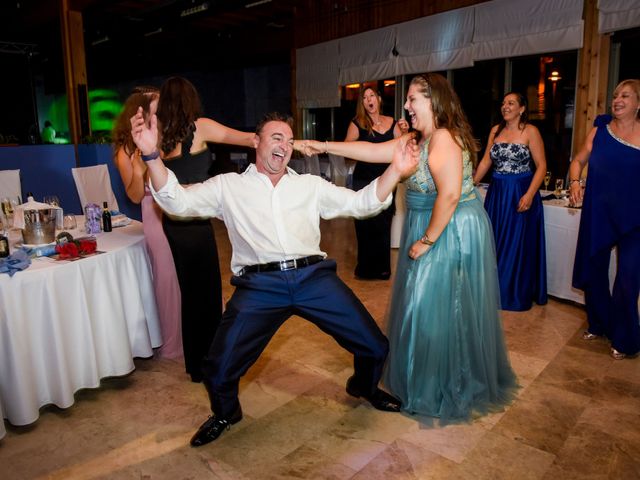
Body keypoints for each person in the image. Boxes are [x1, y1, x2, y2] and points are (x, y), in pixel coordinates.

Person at [131, 110, 418, 446]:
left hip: (313, 278)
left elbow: (362, 204)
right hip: (259, 287)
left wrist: (396, 170)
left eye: (290, 140)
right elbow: (178, 202)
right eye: (276, 137)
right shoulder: (229, 186)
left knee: (374, 345)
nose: (285, 145)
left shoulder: (309, 186)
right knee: (218, 367)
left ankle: (363, 387)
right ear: (257, 142)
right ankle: (226, 412)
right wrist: (151, 156)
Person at [299, 73, 519, 423]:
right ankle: (423, 378)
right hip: (430, 221)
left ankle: (443, 385)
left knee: (435, 306)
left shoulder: (444, 138)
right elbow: (372, 150)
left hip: (449, 228)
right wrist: (324, 146)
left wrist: (426, 240)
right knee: (425, 306)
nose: (405, 105)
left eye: (413, 98)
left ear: (433, 102)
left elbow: (448, 195)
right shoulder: (417, 138)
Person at [156, 77, 256, 382]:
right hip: (196, 222)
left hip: (173, 223)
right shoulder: (200, 127)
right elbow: (246, 139)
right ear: (190, 100)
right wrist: (275, 140)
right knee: (209, 293)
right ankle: (213, 360)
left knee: (191, 293)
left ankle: (197, 364)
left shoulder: (161, 137)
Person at [569, 78, 640, 360]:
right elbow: (578, 161)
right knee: (594, 271)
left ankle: (625, 339)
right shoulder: (600, 130)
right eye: (615, 96)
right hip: (599, 213)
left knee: (628, 279)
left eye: (625, 96)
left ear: (638, 103)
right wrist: (575, 181)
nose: (617, 100)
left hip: (634, 219)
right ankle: (599, 324)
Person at [112, 89, 183, 359]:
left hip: (180, 212)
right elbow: (132, 195)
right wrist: (140, 168)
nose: (160, 112)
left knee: (184, 273)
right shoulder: (126, 151)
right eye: (155, 108)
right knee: (167, 279)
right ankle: (172, 342)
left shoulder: (168, 138)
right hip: (155, 215)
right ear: (138, 114)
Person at [472, 92, 547, 311]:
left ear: (522, 109)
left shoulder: (531, 131)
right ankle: (491, 292)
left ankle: (511, 294)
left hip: (519, 192)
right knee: (494, 242)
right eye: (504, 103)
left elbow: (541, 166)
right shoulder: (496, 130)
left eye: (511, 103)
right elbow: (486, 160)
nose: (505, 106)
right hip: (497, 193)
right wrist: (470, 184)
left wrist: (530, 194)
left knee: (515, 245)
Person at [345, 86, 409, 280]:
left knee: (384, 223)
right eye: (364, 97)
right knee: (365, 223)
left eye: (372, 95)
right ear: (362, 103)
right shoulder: (357, 124)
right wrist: (357, 150)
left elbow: (404, 150)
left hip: (387, 181)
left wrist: (406, 132)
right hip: (363, 180)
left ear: (379, 99)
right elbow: (347, 153)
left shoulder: (394, 123)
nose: (369, 99)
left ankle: (383, 269)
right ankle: (365, 269)